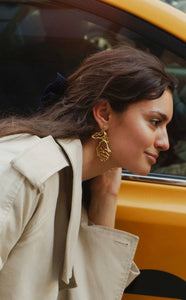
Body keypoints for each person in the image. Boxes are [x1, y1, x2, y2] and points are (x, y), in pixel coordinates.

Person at [0, 46, 176, 299]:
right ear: (104, 113)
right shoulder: (26, 172)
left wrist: (106, 196)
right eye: (155, 122)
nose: (165, 142)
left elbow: (92, 294)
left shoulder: (75, 183)